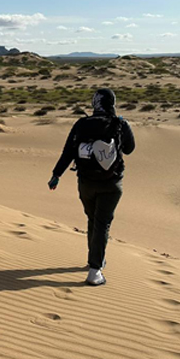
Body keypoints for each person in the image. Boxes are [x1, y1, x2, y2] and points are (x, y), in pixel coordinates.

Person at [48, 88, 135, 286]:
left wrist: (56, 175)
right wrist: (123, 127)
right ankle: (95, 270)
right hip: (111, 184)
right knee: (102, 223)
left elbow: (68, 152)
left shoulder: (81, 124)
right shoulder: (119, 123)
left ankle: (93, 259)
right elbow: (129, 149)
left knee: (93, 219)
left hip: (86, 183)